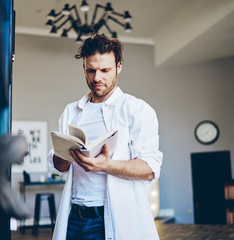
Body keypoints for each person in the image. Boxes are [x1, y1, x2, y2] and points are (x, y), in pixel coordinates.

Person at [48, 34, 163, 240]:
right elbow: (61, 166)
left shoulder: (137, 110)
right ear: (84, 67)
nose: (97, 78)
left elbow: (149, 169)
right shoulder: (71, 111)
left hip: (111, 219)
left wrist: (105, 165)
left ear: (118, 67)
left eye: (105, 70)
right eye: (91, 70)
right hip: (73, 217)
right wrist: (64, 153)